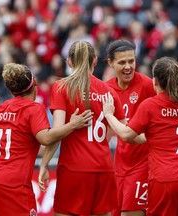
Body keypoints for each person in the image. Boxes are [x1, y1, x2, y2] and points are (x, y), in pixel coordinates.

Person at [0, 62, 93, 216]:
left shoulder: (0, 109)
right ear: (35, 84)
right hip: (13, 184)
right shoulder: (33, 108)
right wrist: (72, 124)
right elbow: (46, 138)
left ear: (12, 90)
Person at [38, 40, 126, 216]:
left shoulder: (62, 87)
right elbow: (122, 128)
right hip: (104, 167)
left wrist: (44, 165)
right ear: (94, 60)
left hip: (74, 169)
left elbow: (56, 133)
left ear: (69, 61)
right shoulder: (108, 91)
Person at [103, 56, 178, 216]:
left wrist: (109, 115)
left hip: (164, 179)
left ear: (155, 82)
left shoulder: (151, 105)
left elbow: (126, 135)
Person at [105, 39, 156, 216]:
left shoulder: (148, 85)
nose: (128, 66)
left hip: (144, 162)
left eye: (131, 61)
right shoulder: (107, 89)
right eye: (122, 62)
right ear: (110, 63)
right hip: (119, 164)